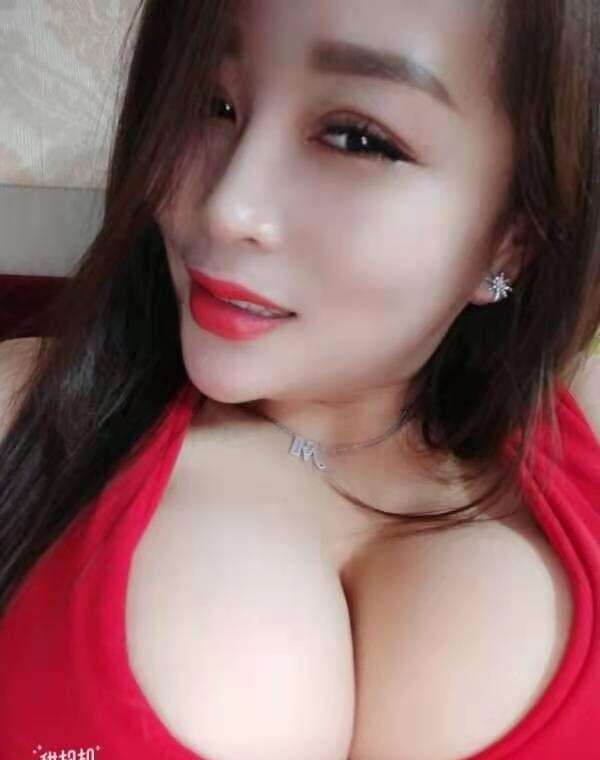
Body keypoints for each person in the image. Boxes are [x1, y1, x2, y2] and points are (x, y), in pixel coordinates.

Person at [0, 0, 599, 758]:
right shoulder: (26, 409)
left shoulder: (580, 427)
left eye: (356, 138)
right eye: (211, 103)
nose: (228, 208)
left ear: (513, 238)